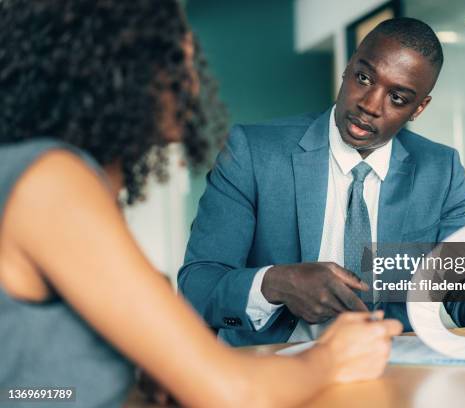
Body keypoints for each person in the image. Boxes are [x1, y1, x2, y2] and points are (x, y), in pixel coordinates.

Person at [0, 1, 402, 407]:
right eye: (177, 61)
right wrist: (331, 357)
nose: (192, 85)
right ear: (109, 70)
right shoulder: (51, 183)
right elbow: (232, 393)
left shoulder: (43, 178)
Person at [179, 17, 465, 347]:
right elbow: (198, 286)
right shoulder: (253, 152)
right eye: (364, 78)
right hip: (274, 368)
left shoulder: (439, 170)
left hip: (390, 374)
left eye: (397, 97)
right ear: (348, 69)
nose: (371, 104)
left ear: (418, 108)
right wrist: (276, 284)